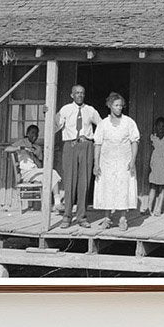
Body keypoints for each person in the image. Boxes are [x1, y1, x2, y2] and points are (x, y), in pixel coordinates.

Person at [55, 83, 100, 227]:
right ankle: (67, 216)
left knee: (84, 182)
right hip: (70, 145)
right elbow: (56, 125)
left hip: (86, 145)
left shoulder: (90, 110)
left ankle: (82, 217)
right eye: (77, 93)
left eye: (82, 93)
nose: (80, 95)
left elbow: (102, 126)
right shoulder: (65, 109)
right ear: (72, 95)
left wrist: (97, 142)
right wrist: (48, 113)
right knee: (69, 182)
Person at [94, 92, 141, 230]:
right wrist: (96, 163)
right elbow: (97, 144)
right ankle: (107, 218)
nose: (119, 108)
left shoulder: (129, 122)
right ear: (109, 106)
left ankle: (122, 219)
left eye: (121, 105)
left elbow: (134, 142)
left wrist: (132, 160)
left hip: (123, 161)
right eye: (116, 105)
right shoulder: (103, 124)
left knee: (122, 188)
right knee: (107, 188)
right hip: (106, 162)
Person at [4, 124, 63, 209]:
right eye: (32, 133)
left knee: (52, 173)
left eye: (36, 134)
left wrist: (33, 155)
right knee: (50, 174)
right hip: (26, 173)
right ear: (27, 133)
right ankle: (52, 204)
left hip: (36, 172)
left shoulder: (37, 148)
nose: (34, 135)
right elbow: (7, 149)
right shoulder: (22, 142)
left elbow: (40, 165)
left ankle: (57, 203)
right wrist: (22, 148)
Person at [147, 116, 164, 216]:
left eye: (163, 126)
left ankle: (158, 209)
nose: (161, 128)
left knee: (162, 187)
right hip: (155, 165)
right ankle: (149, 208)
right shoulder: (153, 138)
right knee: (153, 186)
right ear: (155, 127)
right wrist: (150, 165)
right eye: (159, 126)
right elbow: (151, 151)